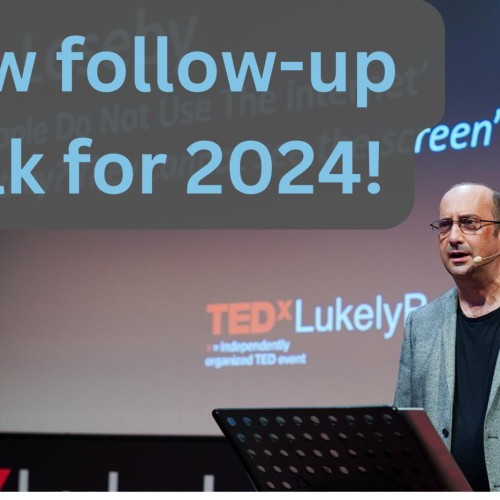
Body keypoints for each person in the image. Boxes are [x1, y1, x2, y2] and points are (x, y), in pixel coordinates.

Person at [395, 182, 500, 492]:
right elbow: (405, 433)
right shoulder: (422, 323)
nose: (453, 237)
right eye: (444, 225)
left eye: (469, 223)